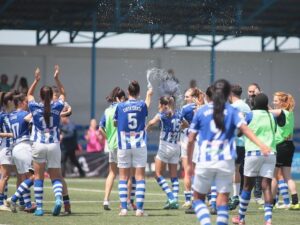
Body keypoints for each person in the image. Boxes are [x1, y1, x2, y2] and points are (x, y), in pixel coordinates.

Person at [186, 79, 271, 225]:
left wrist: (188, 161)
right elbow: (245, 129)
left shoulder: (201, 111)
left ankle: (206, 223)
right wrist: (261, 144)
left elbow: (190, 139)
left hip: (205, 160)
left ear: (209, 96)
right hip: (226, 161)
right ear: (227, 94)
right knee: (223, 199)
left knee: (198, 199)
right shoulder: (232, 111)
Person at [232, 93, 281, 225]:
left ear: (253, 104)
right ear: (266, 104)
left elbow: (240, 132)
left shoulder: (250, 115)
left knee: (247, 186)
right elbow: (274, 129)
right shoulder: (272, 116)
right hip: (270, 153)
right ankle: (268, 220)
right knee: (266, 186)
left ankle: (241, 218)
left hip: (253, 153)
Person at [27, 65, 65, 216]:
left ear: (41, 96)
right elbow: (63, 93)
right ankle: (57, 199)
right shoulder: (57, 106)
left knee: (38, 177)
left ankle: (40, 208)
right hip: (54, 145)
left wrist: (36, 81)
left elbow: (29, 95)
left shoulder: (35, 107)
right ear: (51, 96)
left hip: (38, 144)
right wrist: (57, 78)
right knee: (55, 176)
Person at [114, 80, 152, 216]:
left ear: (128, 92)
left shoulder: (120, 106)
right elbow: (146, 107)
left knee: (123, 177)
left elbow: (115, 123)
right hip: (139, 144)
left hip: (124, 144)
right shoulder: (142, 105)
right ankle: (140, 210)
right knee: (140, 177)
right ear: (138, 93)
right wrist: (149, 95)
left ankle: (124, 208)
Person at [147, 96, 186, 209]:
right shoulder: (179, 114)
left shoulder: (163, 114)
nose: (159, 105)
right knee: (174, 175)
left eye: (160, 103)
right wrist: (179, 128)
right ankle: (175, 200)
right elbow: (186, 125)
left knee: (157, 174)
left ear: (164, 104)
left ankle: (171, 197)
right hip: (176, 147)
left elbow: (151, 122)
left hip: (165, 146)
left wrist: (147, 128)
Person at [271, 91, 300, 210]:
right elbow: (271, 111)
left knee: (273, 176)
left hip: (280, 146)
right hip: (289, 145)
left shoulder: (280, 111)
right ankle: (295, 201)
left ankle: (270, 203)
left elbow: (266, 112)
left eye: (276, 101)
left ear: (282, 103)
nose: (274, 102)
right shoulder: (290, 113)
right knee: (288, 176)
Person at [8, 93, 37, 213]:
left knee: (24, 178)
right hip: (24, 146)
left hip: (15, 149)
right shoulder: (24, 114)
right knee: (34, 177)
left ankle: (28, 205)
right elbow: (31, 118)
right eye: (26, 102)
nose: (27, 104)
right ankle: (14, 199)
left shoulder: (11, 116)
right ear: (20, 103)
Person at [99, 86, 126, 210]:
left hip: (111, 145)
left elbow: (100, 128)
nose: (125, 101)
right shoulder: (121, 108)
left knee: (112, 173)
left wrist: (108, 138)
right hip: (122, 144)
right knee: (125, 174)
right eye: (124, 98)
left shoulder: (107, 110)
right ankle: (124, 203)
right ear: (119, 98)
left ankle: (106, 200)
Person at [180, 87, 205, 209]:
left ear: (193, 97)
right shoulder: (204, 106)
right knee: (198, 171)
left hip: (188, 140)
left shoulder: (186, 108)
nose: (185, 99)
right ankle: (205, 198)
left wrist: (186, 127)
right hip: (198, 140)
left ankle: (189, 200)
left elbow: (177, 121)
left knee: (188, 171)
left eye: (187, 96)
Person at [228, 84, 251, 210]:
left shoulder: (232, 107)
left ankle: (235, 195)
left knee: (233, 170)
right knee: (241, 170)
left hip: (236, 141)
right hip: (246, 142)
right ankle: (239, 194)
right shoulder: (246, 106)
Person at [245, 82, 263, 205]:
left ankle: (258, 195)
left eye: (253, 92)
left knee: (260, 172)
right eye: (250, 91)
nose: (251, 94)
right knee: (245, 171)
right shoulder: (245, 103)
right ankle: (242, 194)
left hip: (260, 141)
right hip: (247, 142)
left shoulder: (263, 102)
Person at [0, 92, 15, 212]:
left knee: (6, 176)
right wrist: (10, 134)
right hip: (4, 148)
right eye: (12, 100)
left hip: (10, 148)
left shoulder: (8, 115)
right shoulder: (1, 115)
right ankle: (1, 203)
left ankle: (5, 200)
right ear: (8, 102)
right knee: (4, 176)